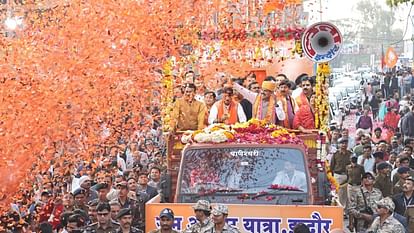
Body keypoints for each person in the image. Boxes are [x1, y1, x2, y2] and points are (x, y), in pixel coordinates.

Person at [330, 137, 352, 209]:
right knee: (338, 193)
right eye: (342, 143)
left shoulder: (350, 154)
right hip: (337, 175)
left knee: (345, 194)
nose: (344, 145)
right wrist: (332, 177)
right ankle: (337, 208)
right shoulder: (335, 154)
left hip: (346, 175)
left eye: (345, 143)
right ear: (339, 145)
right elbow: (332, 166)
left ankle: (344, 210)